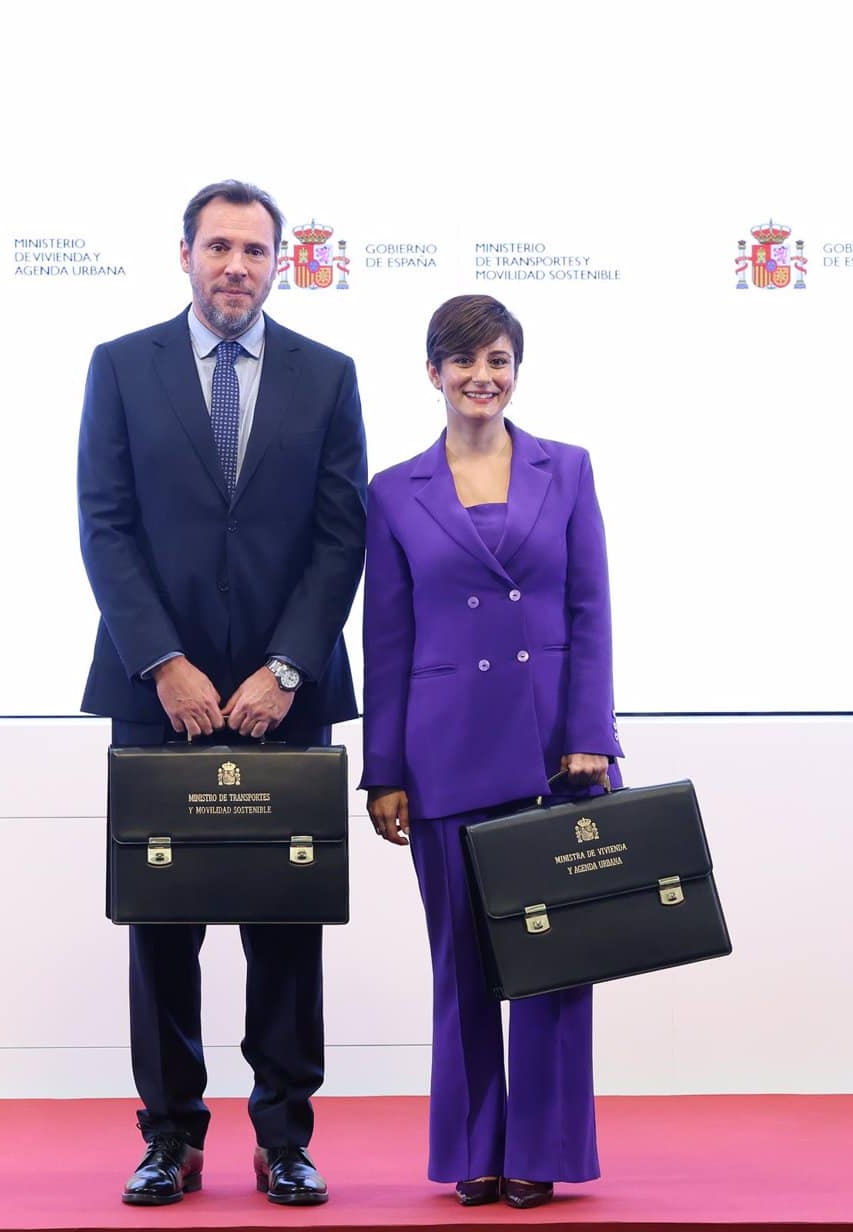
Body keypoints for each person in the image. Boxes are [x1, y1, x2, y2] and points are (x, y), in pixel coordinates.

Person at [77, 180, 367, 1207]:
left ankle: (285, 1135)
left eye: (254, 249)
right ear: (185, 255)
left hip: (284, 698)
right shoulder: (121, 367)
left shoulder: (328, 377)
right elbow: (103, 525)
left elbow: (342, 538)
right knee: (163, 927)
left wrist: (286, 667)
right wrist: (163, 661)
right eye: (218, 247)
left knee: (286, 924)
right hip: (159, 694)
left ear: (281, 261)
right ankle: (171, 1136)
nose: (236, 265)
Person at [359, 295, 623, 1209]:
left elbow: (590, 613)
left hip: (558, 753)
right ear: (432, 372)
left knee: (556, 962)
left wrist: (592, 735)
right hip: (444, 756)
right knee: (461, 963)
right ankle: (475, 1149)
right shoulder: (394, 491)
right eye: (464, 361)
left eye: (500, 360)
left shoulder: (570, 469)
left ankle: (539, 1151)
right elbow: (384, 640)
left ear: (517, 371)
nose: (484, 377)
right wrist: (383, 770)